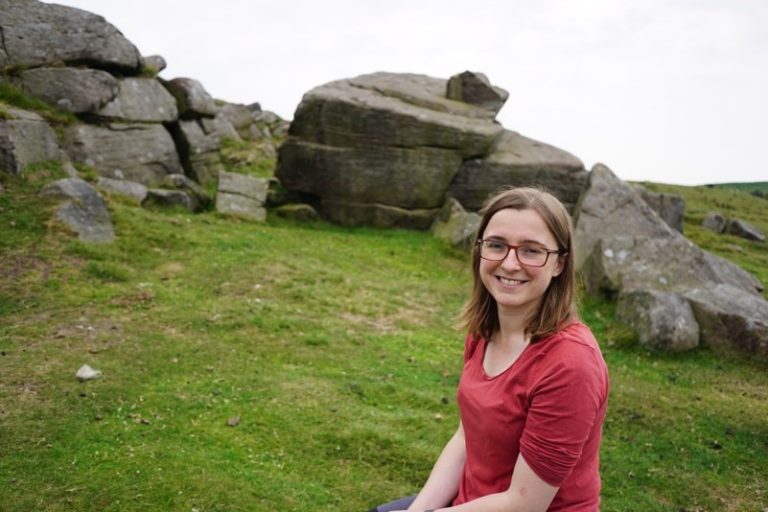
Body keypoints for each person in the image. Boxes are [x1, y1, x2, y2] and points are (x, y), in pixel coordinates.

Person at [369, 187, 609, 512]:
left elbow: (525, 504)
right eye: (496, 245)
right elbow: (465, 439)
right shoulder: (484, 329)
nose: (509, 264)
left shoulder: (570, 364)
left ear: (559, 264)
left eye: (531, 251)